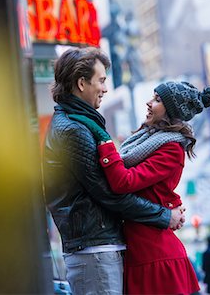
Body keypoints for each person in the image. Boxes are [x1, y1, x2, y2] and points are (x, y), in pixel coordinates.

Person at [43, 47, 185, 295]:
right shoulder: (74, 130)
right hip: (94, 251)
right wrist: (164, 216)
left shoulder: (79, 123)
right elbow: (109, 192)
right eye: (101, 80)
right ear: (81, 83)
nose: (105, 88)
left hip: (97, 248)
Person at [70, 80, 210, 294]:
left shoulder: (171, 149)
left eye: (157, 100)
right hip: (141, 250)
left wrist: (105, 142)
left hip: (155, 256)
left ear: (171, 111)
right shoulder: (146, 141)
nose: (149, 103)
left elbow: (123, 182)